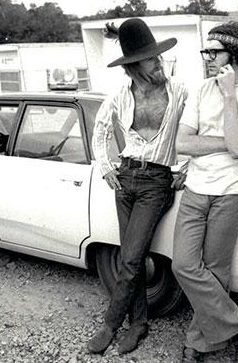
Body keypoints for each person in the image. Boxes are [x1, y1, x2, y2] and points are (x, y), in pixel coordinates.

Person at [172, 21, 238, 363]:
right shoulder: (200, 90)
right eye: (206, 51)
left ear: (236, 54)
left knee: (216, 270)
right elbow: (183, 143)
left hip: (232, 191)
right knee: (183, 265)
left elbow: (237, 147)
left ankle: (199, 342)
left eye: (214, 52)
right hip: (196, 187)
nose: (207, 58)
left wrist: (230, 95)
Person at [88, 18, 188, 355]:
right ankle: (139, 323)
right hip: (125, 179)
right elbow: (99, 132)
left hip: (156, 183)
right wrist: (105, 168)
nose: (159, 62)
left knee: (129, 260)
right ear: (133, 65)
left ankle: (109, 324)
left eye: (158, 57)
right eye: (151, 58)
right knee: (135, 256)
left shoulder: (179, 92)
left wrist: (184, 167)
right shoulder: (119, 96)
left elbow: (195, 130)